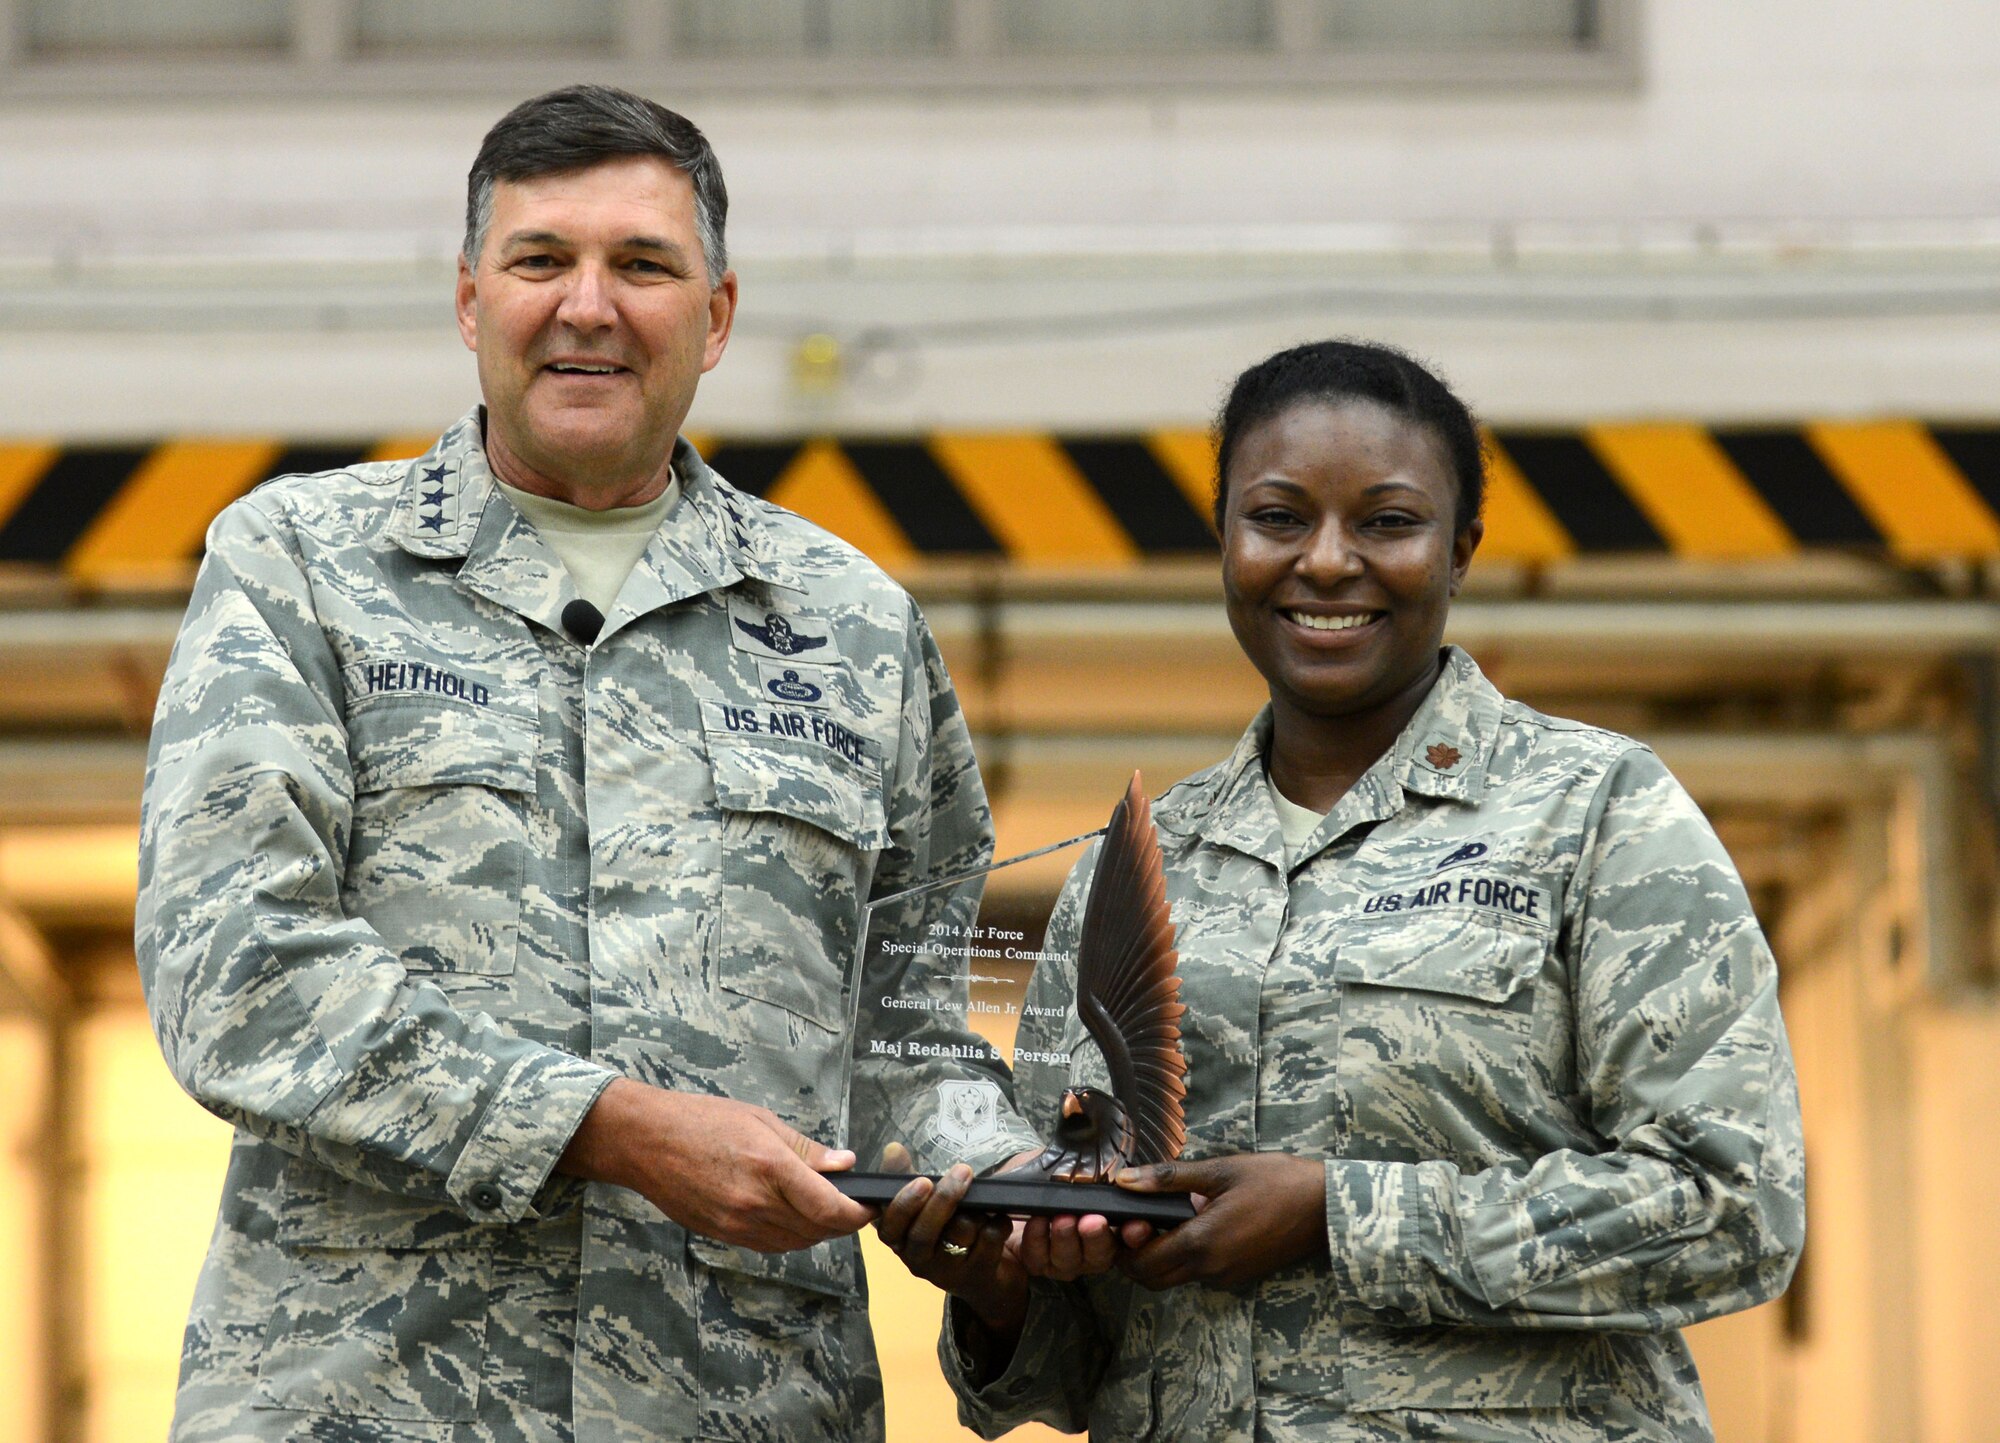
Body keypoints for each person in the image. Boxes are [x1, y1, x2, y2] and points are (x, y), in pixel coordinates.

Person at [134, 85, 1036, 1443]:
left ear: (719, 315)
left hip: (741, 1405)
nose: (588, 304)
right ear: (469, 298)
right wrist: (609, 1126)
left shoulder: (854, 625)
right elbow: (236, 970)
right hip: (365, 1400)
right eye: (541, 259)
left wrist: (1009, 1180)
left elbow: (908, 1024)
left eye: (644, 264)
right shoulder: (302, 565)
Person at [879, 340, 1805, 1441]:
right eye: (1276, 518)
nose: (1324, 562)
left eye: (1384, 522)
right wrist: (997, 1286)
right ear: (1222, 540)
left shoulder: (1597, 814)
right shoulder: (1133, 869)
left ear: (1458, 552)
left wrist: (1337, 1216)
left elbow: (1732, 1208)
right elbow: (1079, 1362)